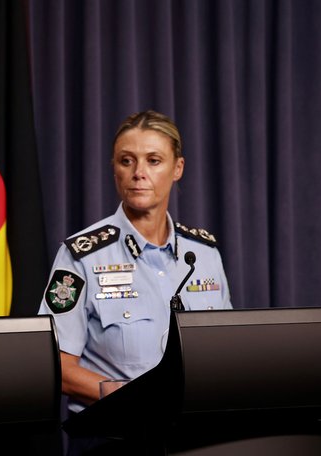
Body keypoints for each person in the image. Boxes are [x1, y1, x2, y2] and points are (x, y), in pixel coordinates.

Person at [37, 110, 232, 454]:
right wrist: (130, 395)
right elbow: (55, 364)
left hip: (198, 438)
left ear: (178, 169)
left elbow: (229, 351)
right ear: (114, 168)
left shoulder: (203, 253)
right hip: (114, 441)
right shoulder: (82, 255)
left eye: (154, 160)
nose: (139, 173)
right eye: (127, 161)